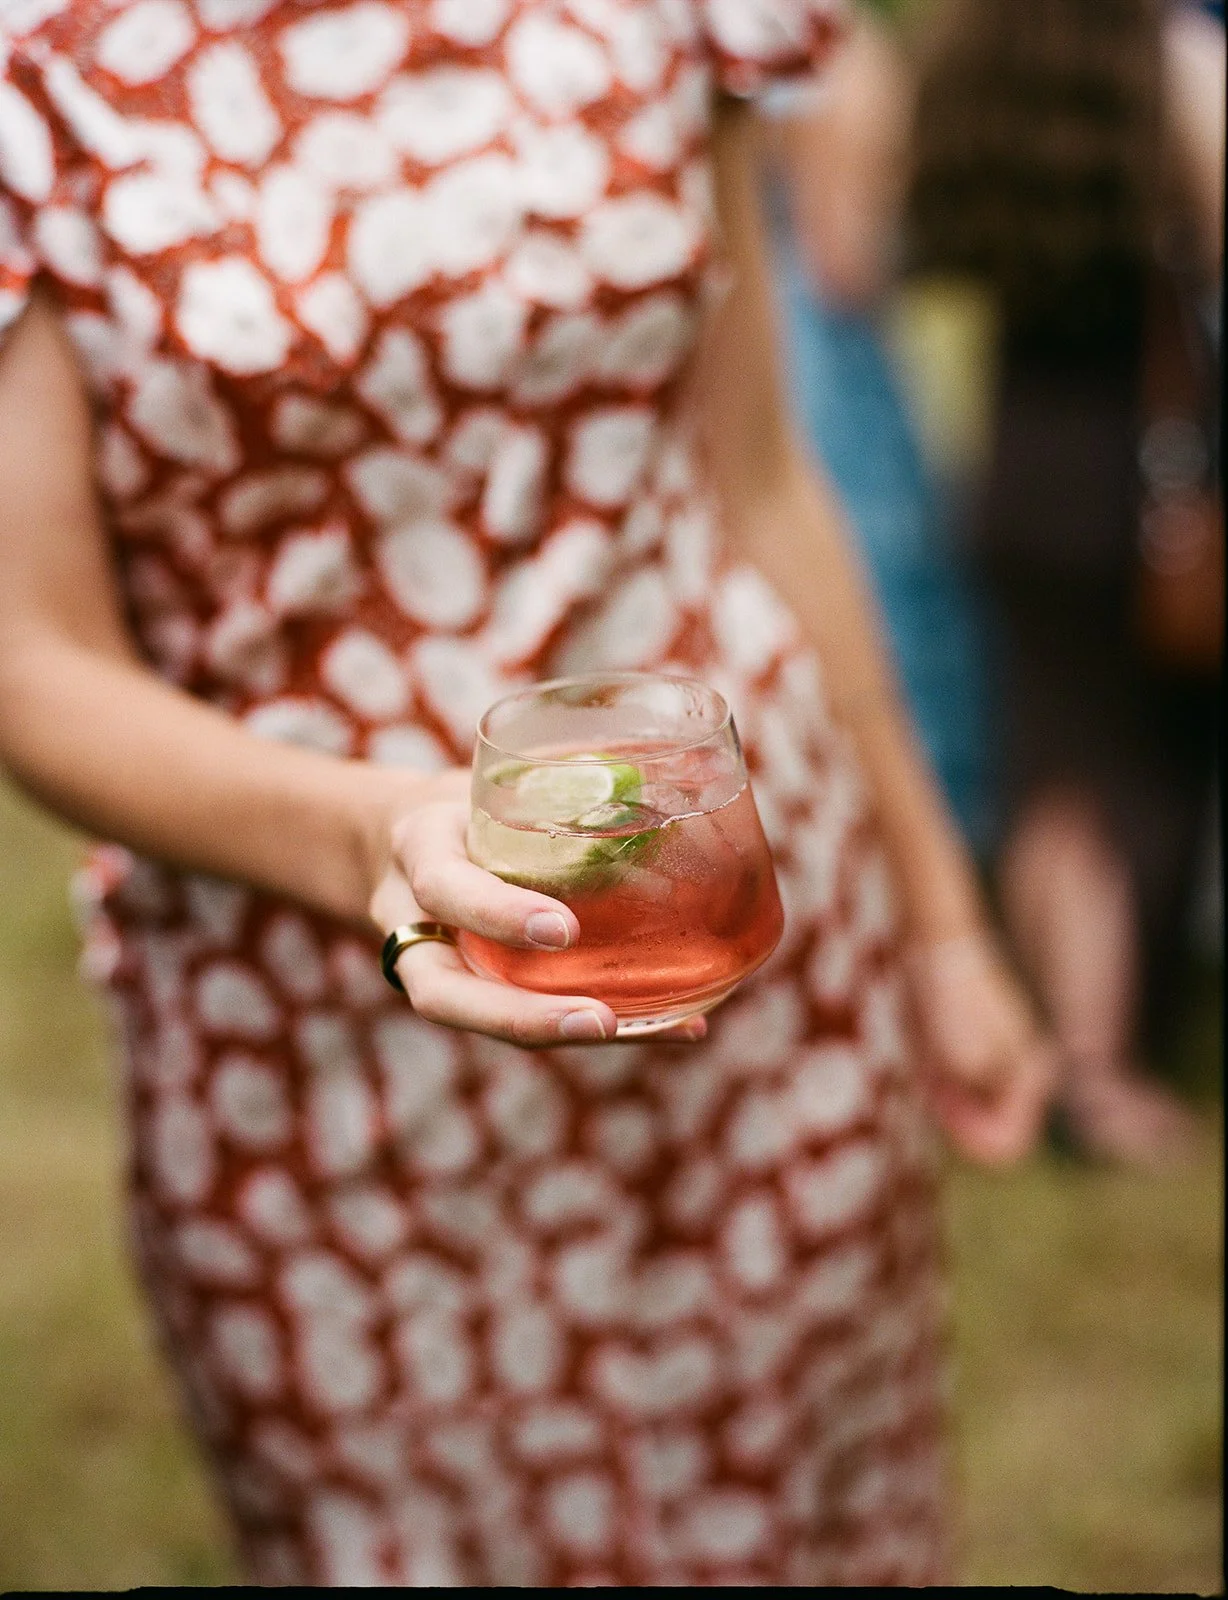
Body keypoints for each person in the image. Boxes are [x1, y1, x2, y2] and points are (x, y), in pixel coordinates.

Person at [0, 1, 1051, 1586]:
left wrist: (947, 927)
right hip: (331, 1045)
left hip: (748, 967)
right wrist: (368, 829)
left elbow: (758, 479)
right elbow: (28, 652)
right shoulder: (47, 70)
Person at [907, 0, 1224, 1166]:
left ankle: (1056, 1033)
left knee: (1048, 762)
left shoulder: (970, 52)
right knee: (1127, 774)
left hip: (1012, 457)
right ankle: (1095, 1072)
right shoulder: (1170, 61)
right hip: (1136, 474)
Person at [765, 2, 995, 855]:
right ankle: (917, 838)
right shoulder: (840, 52)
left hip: (759, 346)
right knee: (882, 588)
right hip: (826, 365)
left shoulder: (717, 45)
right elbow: (846, 261)